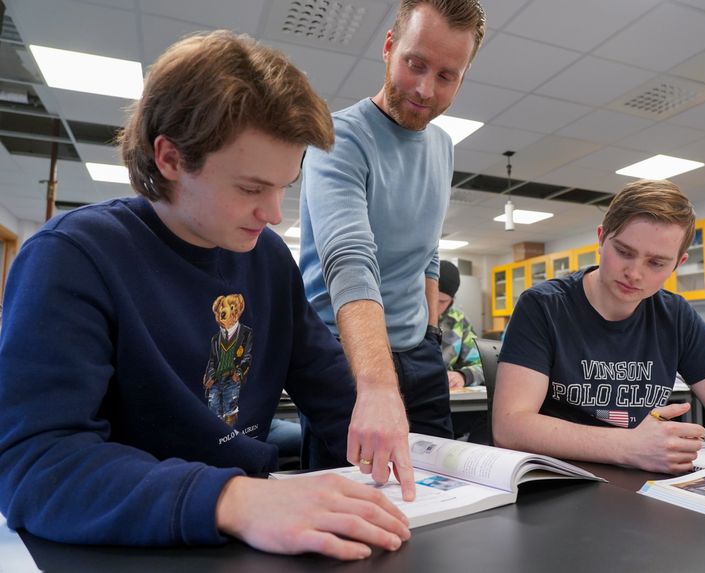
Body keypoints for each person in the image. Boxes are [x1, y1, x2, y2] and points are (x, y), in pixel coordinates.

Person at [0, 31, 410, 560]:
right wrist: (233, 498)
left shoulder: (266, 259)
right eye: (250, 188)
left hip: (248, 536)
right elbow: (36, 464)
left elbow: (335, 395)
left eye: (284, 187)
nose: (274, 214)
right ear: (170, 158)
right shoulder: (73, 257)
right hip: (128, 543)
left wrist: (399, 435)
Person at [493, 179, 705, 477]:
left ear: (677, 264)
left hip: (640, 480)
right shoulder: (544, 306)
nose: (634, 273)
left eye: (656, 263)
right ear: (601, 239)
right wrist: (627, 445)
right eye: (624, 252)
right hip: (558, 479)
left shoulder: (674, 315)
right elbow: (510, 426)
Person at [299, 0, 485, 497]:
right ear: (388, 47)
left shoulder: (443, 146)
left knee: (442, 493)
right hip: (344, 354)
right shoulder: (336, 137)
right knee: (355, 503)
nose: (426, 89)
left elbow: (428, 249)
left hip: (419, 353)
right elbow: (350, 260)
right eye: (415, 64)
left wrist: (428, 333)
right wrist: (377, 387)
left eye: (447, 75)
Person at [437, 260, 484, 389]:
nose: (434, 306)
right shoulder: (407, 317)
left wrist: (463, 376)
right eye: (429, 297)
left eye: (442, 301)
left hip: (444, 393)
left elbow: (483, 367)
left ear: (452, 300)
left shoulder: (459, 322)